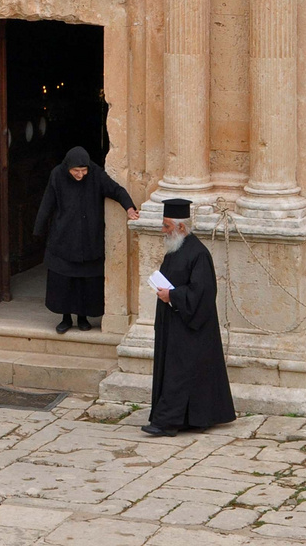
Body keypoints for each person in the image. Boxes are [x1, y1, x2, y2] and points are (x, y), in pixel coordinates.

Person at [145, 197, 236, 436]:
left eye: (166, 226)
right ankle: (185, 419)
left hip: (190, 328)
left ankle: (167, 422)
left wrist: (173, 296)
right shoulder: (175, 249)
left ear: (181, 227)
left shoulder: (198, 254)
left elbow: (202, 292)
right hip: (174, 323)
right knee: (177, 372)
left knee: (180, 374)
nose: (163, 230)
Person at [34, 146, 140, 333]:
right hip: (64, 237)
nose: (80, 175)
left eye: (84, 171)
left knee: (85, 282)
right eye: (76, 171)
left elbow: (116, 190)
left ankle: (83, 318)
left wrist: (129, 207)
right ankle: (66, 318)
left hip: (89, 238)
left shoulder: (97, 175)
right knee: (64, 281)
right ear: (68, 167)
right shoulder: (57, 175)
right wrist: (38, 229)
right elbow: (47, 202)